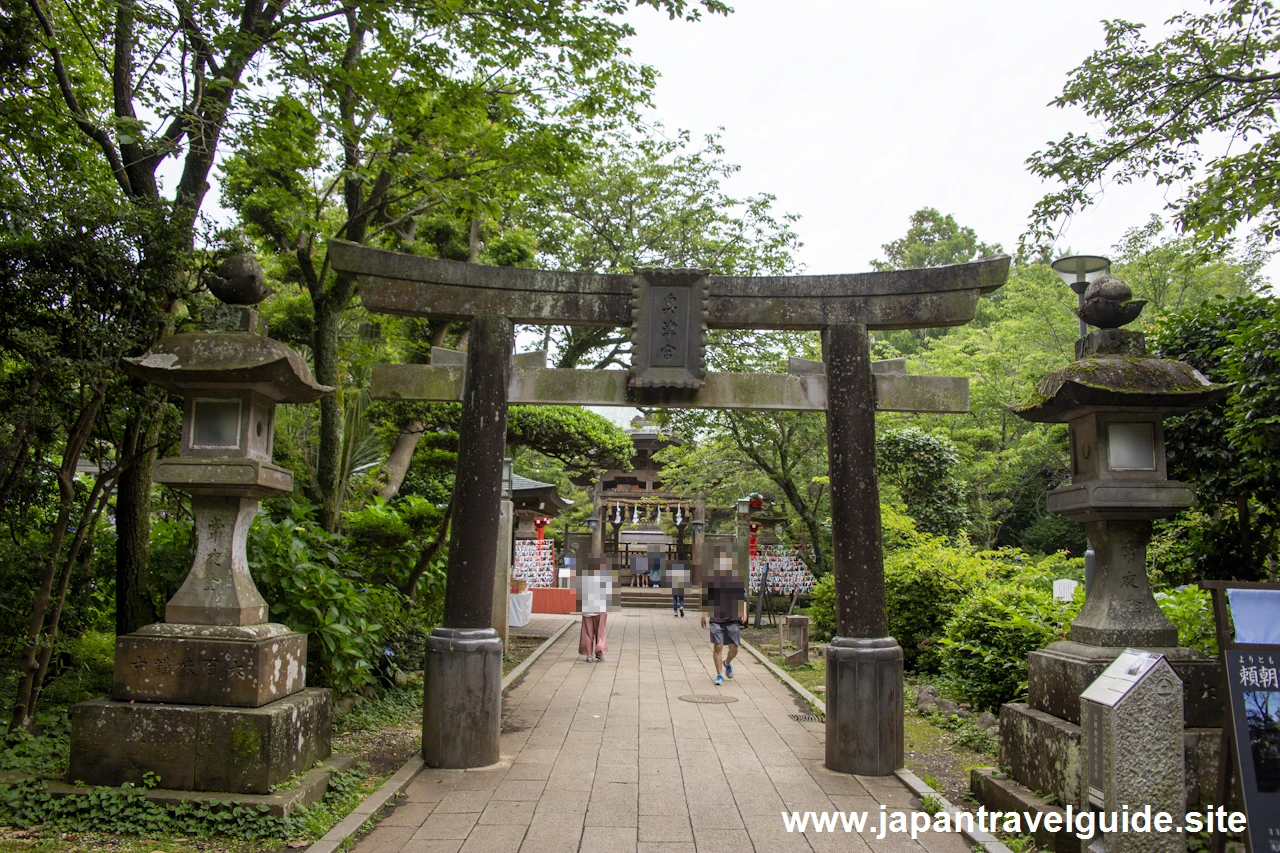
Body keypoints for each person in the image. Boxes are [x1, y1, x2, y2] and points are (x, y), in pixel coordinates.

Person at [700, 555, 747, 686]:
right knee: (718, 645)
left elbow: (743, 598)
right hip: (716, 618)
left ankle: (727, 663)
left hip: (732, 617)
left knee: (734, 648)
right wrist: (703, 615)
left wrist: (744, 612)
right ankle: (719, 675)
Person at [577, 560, 612, 662]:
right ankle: (599, 650)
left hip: (587, 609)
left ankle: (589, 655)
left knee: (588, 632)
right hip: (600, 609)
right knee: (600, 631)